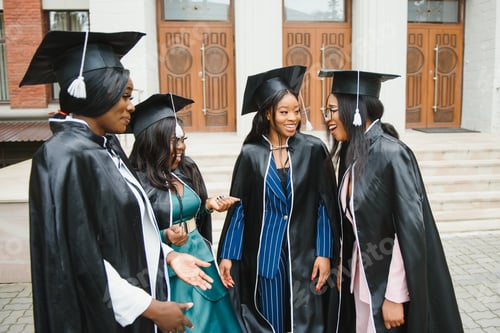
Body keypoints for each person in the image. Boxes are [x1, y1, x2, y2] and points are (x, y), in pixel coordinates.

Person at [20, 30, 213, 333]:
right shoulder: (64, 156)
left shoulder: (105, 147)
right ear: (96, 92)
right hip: (104, 315)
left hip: (131, 300)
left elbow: (123, 233)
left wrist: (169, 255)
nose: (132, 106)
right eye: (125, 96)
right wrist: (150, 307)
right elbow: (79, 257)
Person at [318, 69, 464, 332]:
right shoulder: (353, 154)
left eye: (331, 110)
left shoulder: (392, 154)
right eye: (325, 111)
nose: (326, 118)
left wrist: (395, 295)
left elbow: (407, 232)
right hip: (362, 279)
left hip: (388, 284)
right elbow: (354, 224)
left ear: (355, 109)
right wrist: (344, 265)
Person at [217, 65, 339, 333]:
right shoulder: (251, 154)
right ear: (268, 114)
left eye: (296, 111)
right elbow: (240, 209)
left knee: (305, 320)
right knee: (269, 320)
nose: (292, 118)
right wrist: (228, 254)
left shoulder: (312, 149)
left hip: (304, 255)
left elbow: (324, 205)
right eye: (284, 112)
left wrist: (324, 252)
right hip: (267, 257)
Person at [128, 93, 243, 332]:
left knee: (219, 324)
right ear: (153, 141)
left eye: (183, 139)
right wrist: (165, 236)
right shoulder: (136, 182)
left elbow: (196, 210)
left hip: (201, 256)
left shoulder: (186, 168)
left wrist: (209, 205)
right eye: (173, 140)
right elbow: (131, 234)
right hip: (170, 269)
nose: (181, 146)